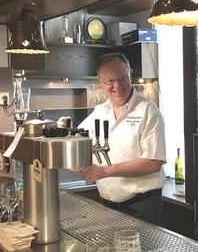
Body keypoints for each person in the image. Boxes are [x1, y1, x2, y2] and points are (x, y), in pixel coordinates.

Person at [59, 52, 166, 225]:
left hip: (142, 206)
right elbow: (78, 139)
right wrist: (62, 130)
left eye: (123, 78)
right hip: (109, 204)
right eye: (110, 81)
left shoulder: (148, 111)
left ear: (130, 75)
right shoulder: (100, 112)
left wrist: (105, 171)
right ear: (100, 83)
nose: (118, 85)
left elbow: (153, 162)